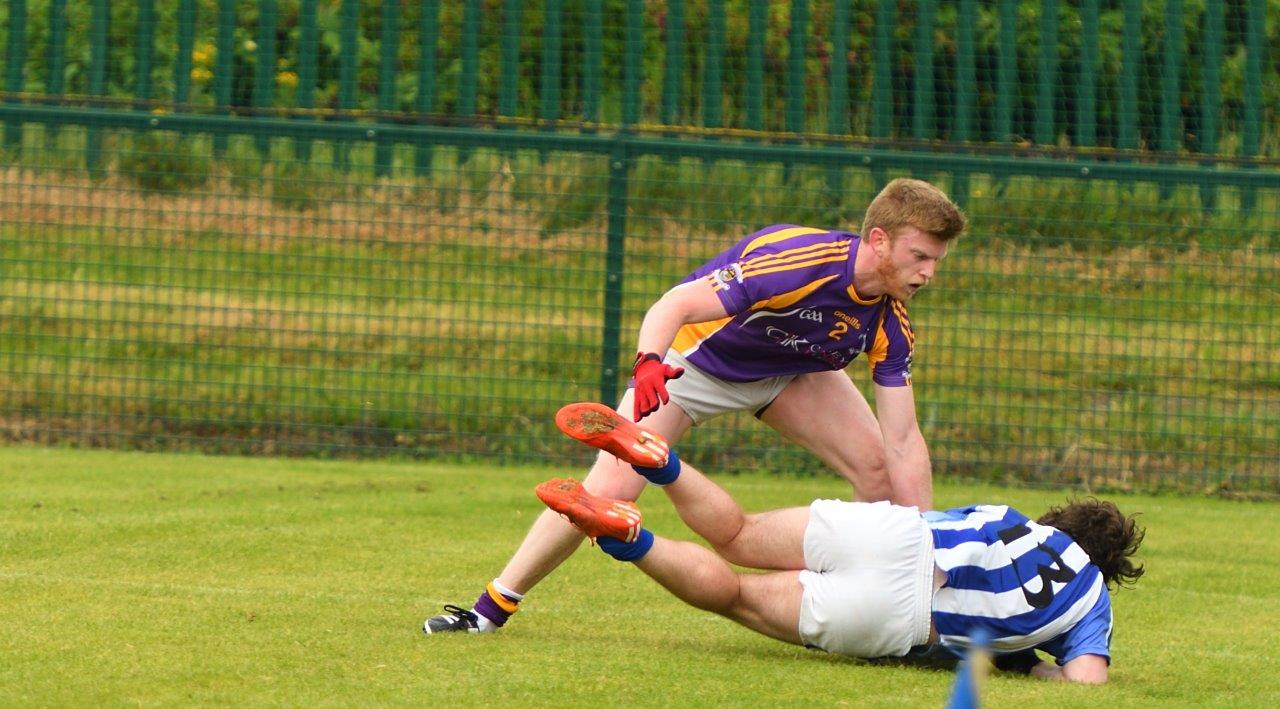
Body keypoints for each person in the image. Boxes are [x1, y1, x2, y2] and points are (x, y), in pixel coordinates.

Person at [426, 178, 968, 634]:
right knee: (604, 496)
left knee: (876, 467)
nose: (928, 274)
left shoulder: (890, 323)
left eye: (936, 261)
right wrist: (647, 364)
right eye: (919, 256)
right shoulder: (798, 261)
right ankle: (488, 610)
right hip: (694, 366)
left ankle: (865, 596)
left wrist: (927, 541)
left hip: (791, 373)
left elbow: (903, 441)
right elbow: (677, 302)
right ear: (878, 239)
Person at [536, 403, 1146, 684]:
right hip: (904, 614)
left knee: (740, 533)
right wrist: (1036, 668)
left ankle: (662, 462)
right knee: (736, 594)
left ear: (1060, 523)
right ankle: (629, 538)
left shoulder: (1019, 522)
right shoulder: (1091, 601)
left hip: (897, 533)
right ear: (1108, 567)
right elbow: (1087, 682)